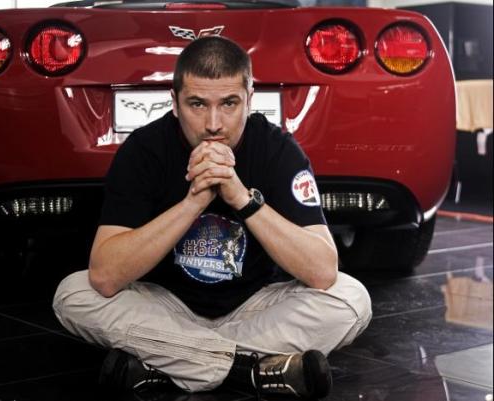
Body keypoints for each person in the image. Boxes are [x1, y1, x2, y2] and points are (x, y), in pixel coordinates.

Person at [53, 35, 372, 399]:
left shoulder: (278, 149)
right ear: (175, 104)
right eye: (197, 104)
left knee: (351, 298)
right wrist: (193, 201)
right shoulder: (143, 150)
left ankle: (169, 364)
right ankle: (250, 372)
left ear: (250, 100)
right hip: (165, 307)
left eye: (229, 103)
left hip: (254, 309)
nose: (213, 124)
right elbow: (105, 275)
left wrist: (241, 199)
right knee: (73, 294)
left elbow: (323, 270)